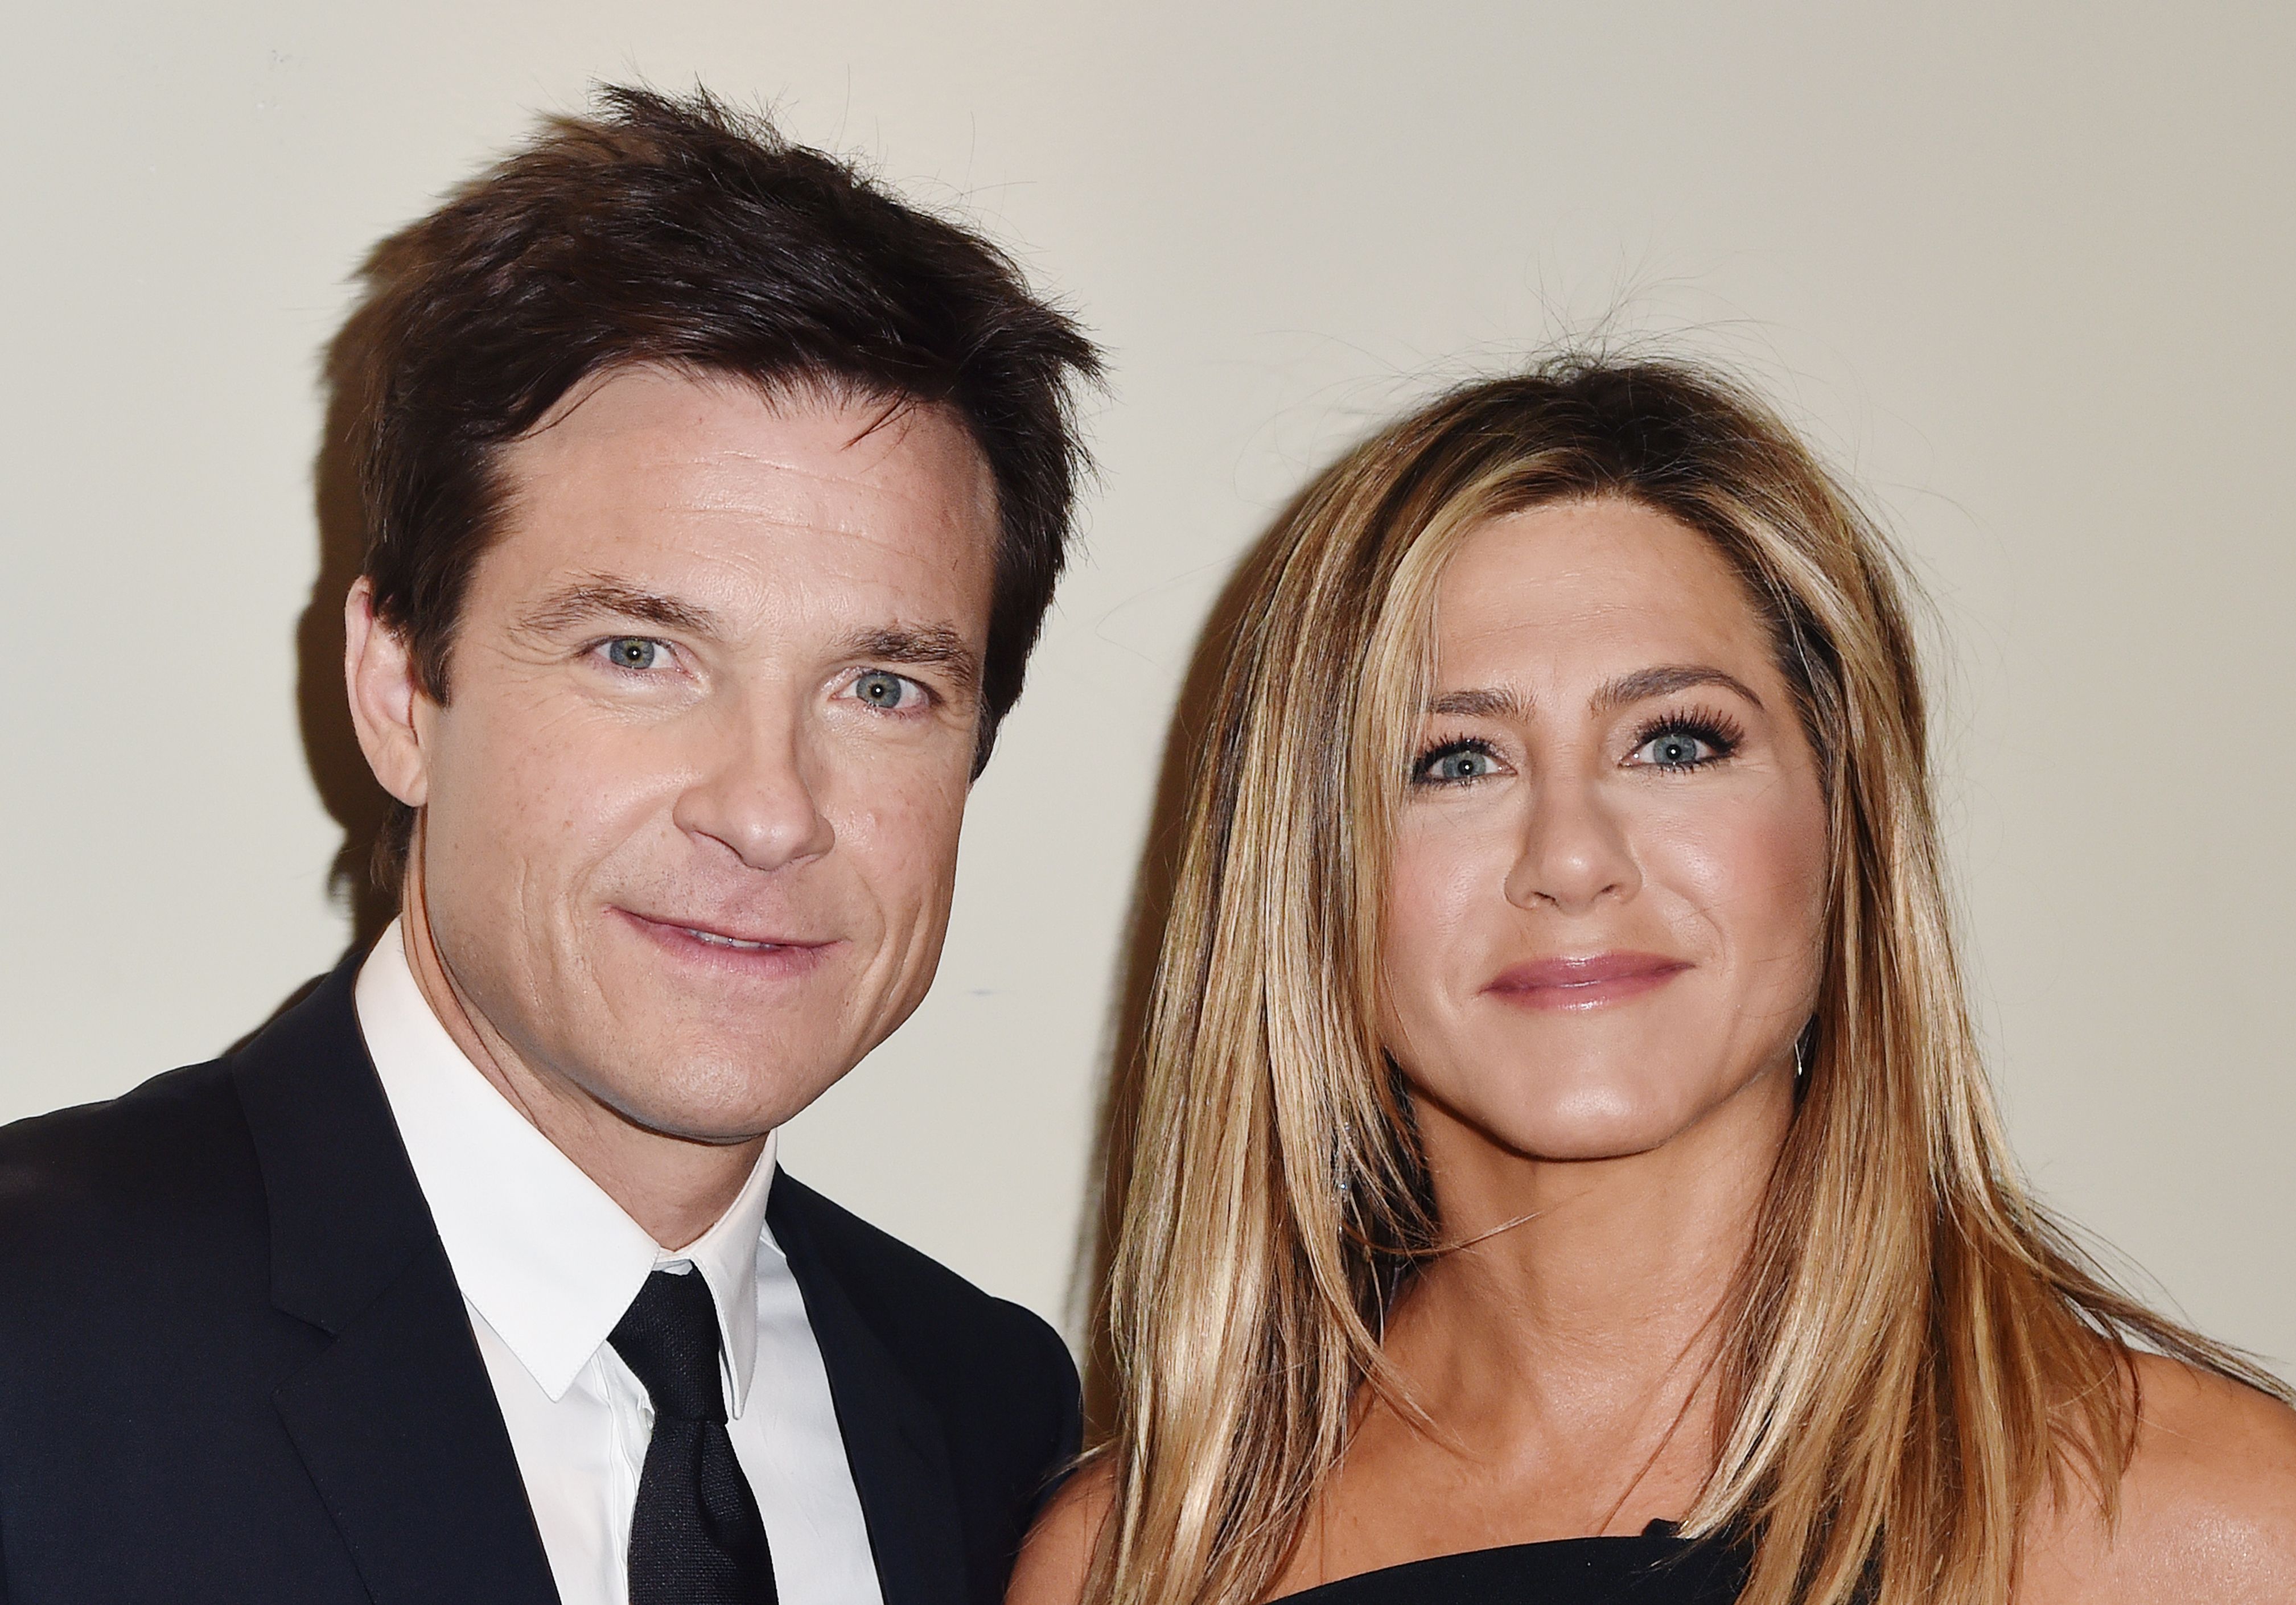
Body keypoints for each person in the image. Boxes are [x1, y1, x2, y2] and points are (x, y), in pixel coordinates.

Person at [0, 85, 1100, 1605]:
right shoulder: (35, 1337)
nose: (769, 809)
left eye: (881, 686)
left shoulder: (996, 1422)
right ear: (400, 692)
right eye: (639, 653)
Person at [1012, 359, 2296, 1605]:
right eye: (1453, 761)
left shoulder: (2219, 1531)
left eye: (1674, 743)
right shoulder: (1127, 1566)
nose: (1572, 860)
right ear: (1303, 873)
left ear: (1845, 821)